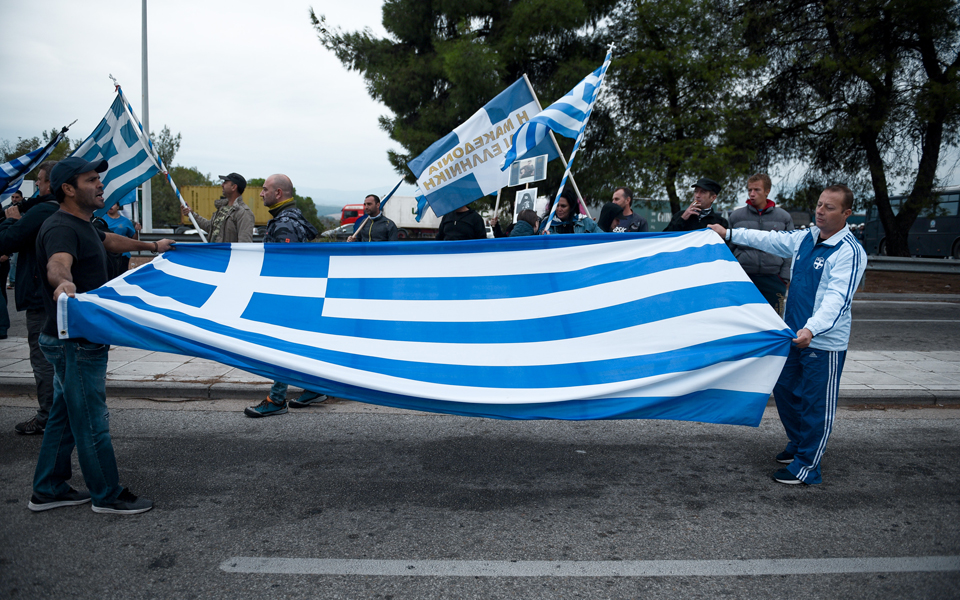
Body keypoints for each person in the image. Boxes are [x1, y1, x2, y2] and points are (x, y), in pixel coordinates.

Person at [31, 157, 175, 514]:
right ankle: (107, 495)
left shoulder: (84, 224)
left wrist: (151, 248)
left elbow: (108, 240)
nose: (100, 185)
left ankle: (47, 487)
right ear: (68, 188)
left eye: (99, 178)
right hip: (76, 342)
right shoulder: (61, 228)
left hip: (72, 338)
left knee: (64, 415)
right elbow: (57, 263)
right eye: (91, 180)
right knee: (92, 420)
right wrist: (63, 282)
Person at [707, 184, 866, 486]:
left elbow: (838, 299)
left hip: (823, 342)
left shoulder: (849, 252)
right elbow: (768, 239)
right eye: (819, 204)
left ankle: (808, 466)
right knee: (784, 390)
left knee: (815, 404)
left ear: (846, 213)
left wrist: (812, 329)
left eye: (829, 207)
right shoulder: (805, 238)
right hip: (794, 334)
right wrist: (728, 234)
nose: (820, 211)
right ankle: (799, 443)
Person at [245, 174, 323, 417]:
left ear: (278, 193)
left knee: (280, 346)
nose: (261, 193)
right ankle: (314, 387)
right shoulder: (291, 218)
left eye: (265, 189)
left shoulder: (284, 223)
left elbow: (286, 267)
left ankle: (277, 399)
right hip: (301, 296)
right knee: (296, 345)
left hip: (288, 297)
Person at [0, 161, 60, 435]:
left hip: (40, 299)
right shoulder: (58, 210)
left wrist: (11, 221)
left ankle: (48, 417)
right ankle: (59, 413)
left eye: (40, 180)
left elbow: (6, 242)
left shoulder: (43, 211)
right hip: (54, 297)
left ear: (50, 183)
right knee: (57, 360)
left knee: (43, 359)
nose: (36, 184)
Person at [727, 174, 795, 313]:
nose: (752, 194)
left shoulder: (783, 217)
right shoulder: (736, 217)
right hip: (744, 279)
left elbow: (790, 249)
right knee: (744, 322)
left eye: (757, 190)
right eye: (750, 190)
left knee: (775, 324)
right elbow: (728, 249)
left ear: (767, 191)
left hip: (774, 279)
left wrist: (784, 278)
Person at [181, 172, 254, 243]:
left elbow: (244, 243)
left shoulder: (244, 213)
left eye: (225, 182)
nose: (222, 185)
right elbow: (210, 228)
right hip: (213, 254)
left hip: (225, 255)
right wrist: (192, 214)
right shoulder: (222, 208)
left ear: (233, 187)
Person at [103, 203, 141, 276]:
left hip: (122, 255)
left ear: (118, 206)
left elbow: (134, 239)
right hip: (106, 254)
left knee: (120, 276)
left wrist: (137, 231)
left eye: (113, 204)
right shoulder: (101, 219)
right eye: (110, 203)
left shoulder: (125, 221)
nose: (111, 206)